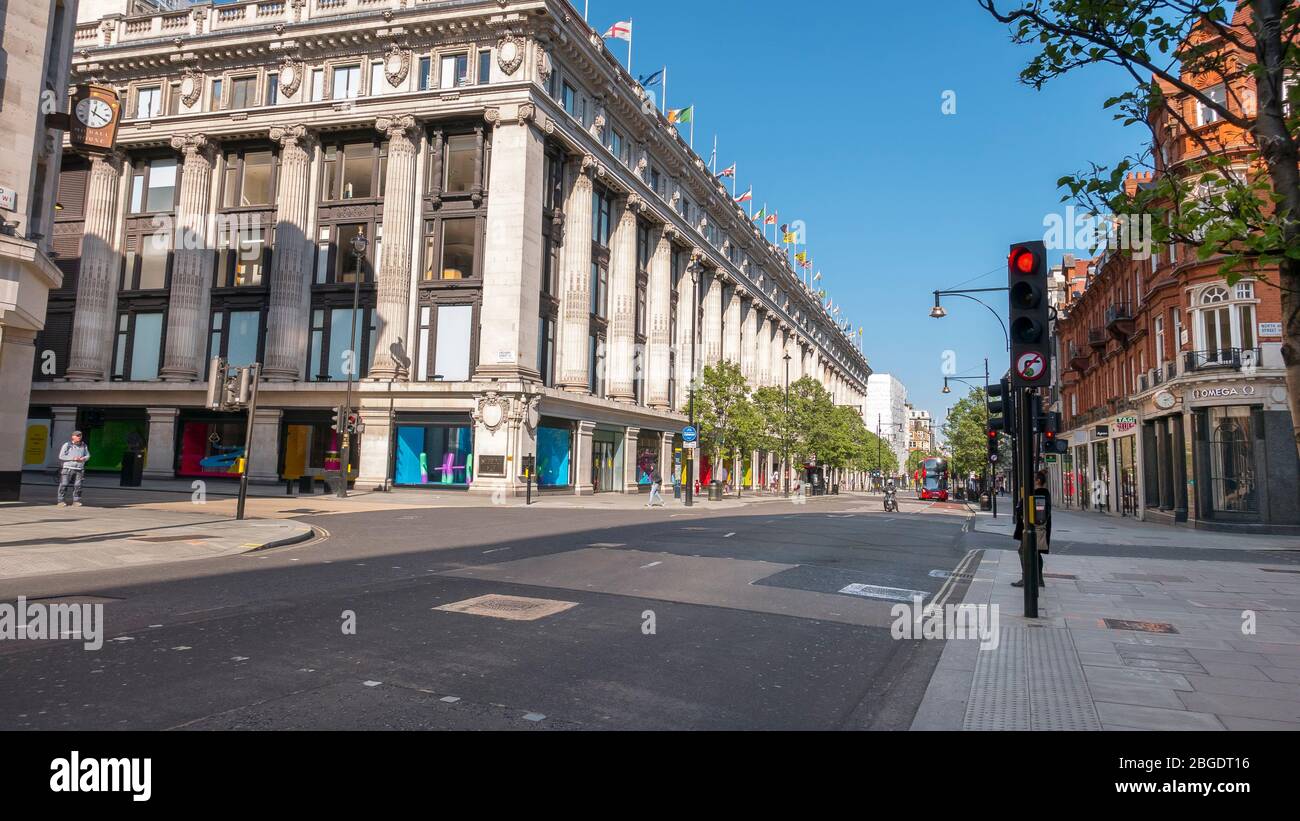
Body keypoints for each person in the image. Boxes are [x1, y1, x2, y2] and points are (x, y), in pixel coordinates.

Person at [1012, 470, 1051, 588]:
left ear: (1038, 481)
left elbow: (1033, 511)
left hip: (1034, 528)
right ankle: (1039, 579)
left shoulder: (1039, 493)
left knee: (1024, 551)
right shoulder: (1041, 493)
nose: (1031, 482)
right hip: (1035, 528)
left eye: (1033, 479)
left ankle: (1027, 578)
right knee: (1036, 553)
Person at [57, 430, 91, 507]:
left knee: (78, 485)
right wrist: (73, 458)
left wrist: (84, 458)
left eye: (80, 435)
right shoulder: (67, 445)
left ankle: (76, 501)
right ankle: (60, 501)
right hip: (67, 468)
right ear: (73, 437)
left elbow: (88, 456)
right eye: (77, 435)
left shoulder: (84, 445)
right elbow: (61, 456)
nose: (79, 437)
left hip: (79, 469)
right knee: (64, 484)